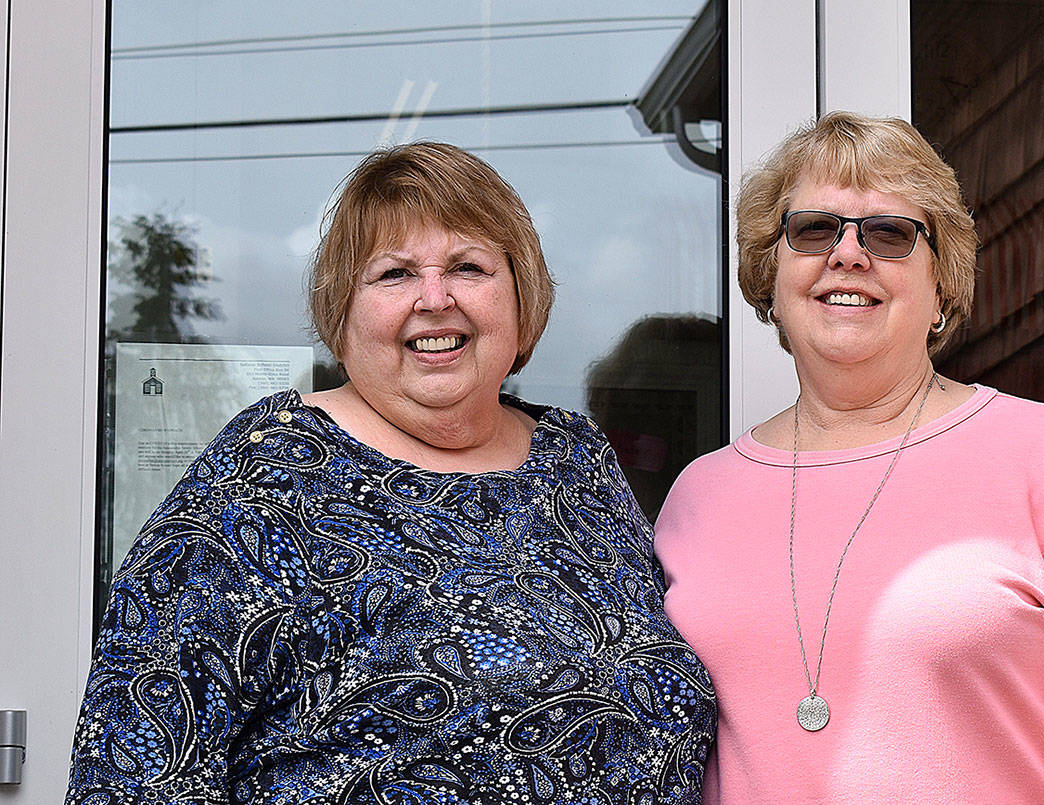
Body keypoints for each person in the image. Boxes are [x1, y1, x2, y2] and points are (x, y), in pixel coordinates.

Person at [66, 142, 715, 804]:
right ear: (344, 312)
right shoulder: (266, 474)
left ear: (521, 298)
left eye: (467, 266)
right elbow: (135, 765)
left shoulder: (577, 458)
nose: (436, 298)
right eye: (395, 274)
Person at [654, 112, 1044, 803]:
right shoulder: (701, 494)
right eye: (814, 229)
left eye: (889, 233)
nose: (848, 254)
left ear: (942, 283)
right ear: (770, 271)